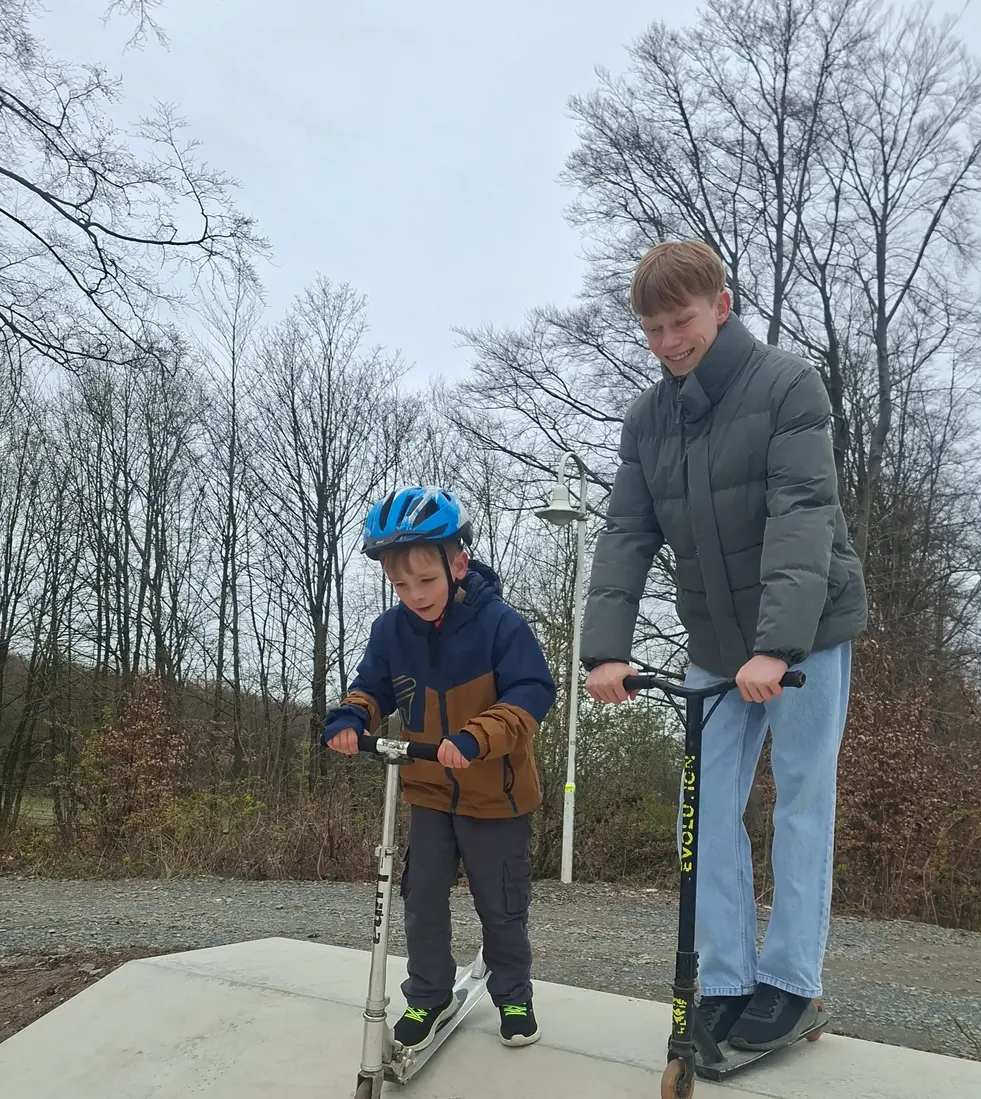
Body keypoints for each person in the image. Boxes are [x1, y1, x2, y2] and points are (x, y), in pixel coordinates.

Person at [580, 240, 868, 1052]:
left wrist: (777, 645)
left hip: (806, 632)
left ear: (722, 306)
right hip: (714, 640)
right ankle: (728, 976)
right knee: (704, 810)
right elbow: (627, 532)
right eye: (653, 330)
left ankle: (792, 982)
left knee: (802, 799)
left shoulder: (787, 385)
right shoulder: (647, 420)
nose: (668, 342)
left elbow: (802, 513)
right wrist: (607, 648)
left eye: (682, 322)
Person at [324, 486, 556, 1052]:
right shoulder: (391, 631)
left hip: (495, 797)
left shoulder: (500, 626)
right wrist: (353, 717)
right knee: (420, 897)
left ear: (459, 563)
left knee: (500, 905)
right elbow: (373, 686)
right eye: (400, 585)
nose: (413, 595)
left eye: (425, 581)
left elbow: (532, 692)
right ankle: (429, 995)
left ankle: (514, 994)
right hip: (428, 792)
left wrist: (477, 737)